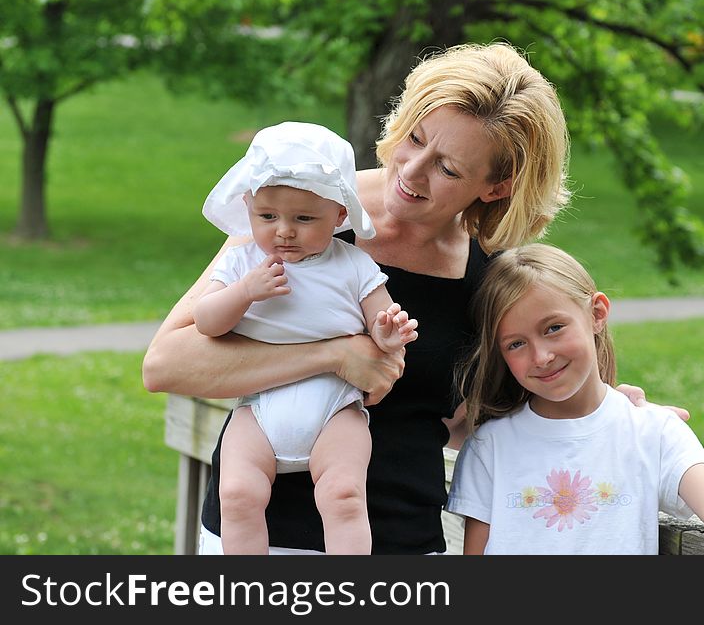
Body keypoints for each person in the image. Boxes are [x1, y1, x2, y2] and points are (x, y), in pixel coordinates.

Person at [143, 42, 669, 554]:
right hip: (256, 535)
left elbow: (473, 419)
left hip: (403, 544)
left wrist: (595, 410)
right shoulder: (306, 209)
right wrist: (333, 356)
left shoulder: (489, 276)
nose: (411, 171)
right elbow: (166, 365)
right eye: (415, 138)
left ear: (497, 186)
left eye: (448, 168)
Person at [446, 243, 704, 555]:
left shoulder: (654, 432)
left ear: (597, 314)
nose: (541, 356)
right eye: (516, 344)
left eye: (554, 328)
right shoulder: (490, 446)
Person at [192, 122, 417, 554]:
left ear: (339, 216)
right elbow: (206, 321)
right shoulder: (244, 262)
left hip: (335, 410)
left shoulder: (352, 265)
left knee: (344, 495)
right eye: (267, 216)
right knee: (237, 494)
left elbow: (382, 326)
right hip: (258, 408)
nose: (284, 231)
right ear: (247, 206)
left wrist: (390, 335)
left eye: (304, 218)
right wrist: (244, 293)